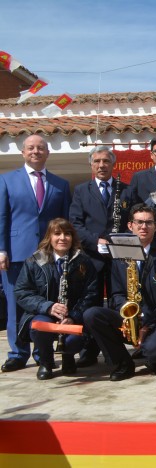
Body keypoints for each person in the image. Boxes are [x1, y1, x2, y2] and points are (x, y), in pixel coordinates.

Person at [83, 204, 156, 381]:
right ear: (130, 226)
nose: (144, 227)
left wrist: (146, 321)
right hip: (130, 316)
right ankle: (122, 363)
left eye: (149, 222)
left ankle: (155, 357)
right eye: (139, 222)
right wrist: (130, 316)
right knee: (92, 315)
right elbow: (116, 293)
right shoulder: (119, 252)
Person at [0, 134, 72, 373]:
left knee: (46, 303)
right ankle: (18, 353)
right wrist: (2, 249)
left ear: (47, 153)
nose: (35, 152)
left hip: (48, 256)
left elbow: (64, 223)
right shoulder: (7, 180)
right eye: (31, 148)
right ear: (23, 152)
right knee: (15, 304)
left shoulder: (60, 184)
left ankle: (43, 354)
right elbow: (2, 218)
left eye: (40, 148)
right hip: (16, 253)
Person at [69, 146, 131, 367]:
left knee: (118, 301)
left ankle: (117, 348)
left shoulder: (125, 190)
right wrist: (96, 241)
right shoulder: (81, 191)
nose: (101, 165)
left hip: (118, 257)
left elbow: (131, 223)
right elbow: (75, 223)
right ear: (91, 165)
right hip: (92, 257)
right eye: (97, 161)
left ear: (113, 164)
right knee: (90, 302)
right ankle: (89, 349)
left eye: (106, 161)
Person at [15, 219, 99, 379]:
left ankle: (68, 357)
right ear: (49, 237)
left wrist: (73, 317)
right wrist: (47, 306)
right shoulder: (35, 261)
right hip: (44, 313)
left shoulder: (83, 261)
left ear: (73, 237)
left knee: (74, 341)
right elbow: (22, 291)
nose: (62, 238)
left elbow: (91, 293)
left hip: (72, 317)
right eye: (57, 234)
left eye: (67, 234)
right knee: (39, 327)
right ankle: (46, 362)